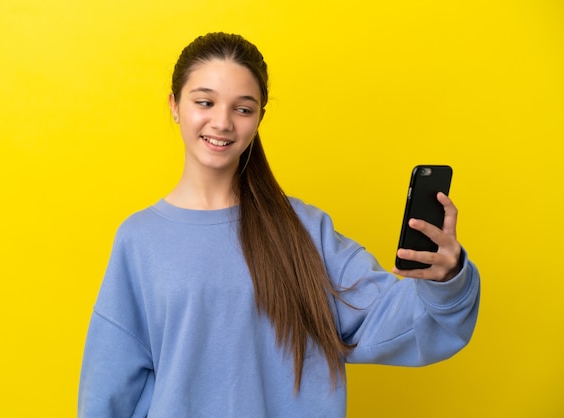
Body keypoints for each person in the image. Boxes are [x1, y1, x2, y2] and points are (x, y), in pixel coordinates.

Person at [78, 32, 480, 417]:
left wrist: (447, 279)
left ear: (258, 118)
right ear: (174, 105)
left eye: (243, 108)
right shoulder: (139, 239)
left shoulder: (303, 228)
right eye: (204, 102)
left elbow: (400, 321)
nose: (222, 122)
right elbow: (110, 389)